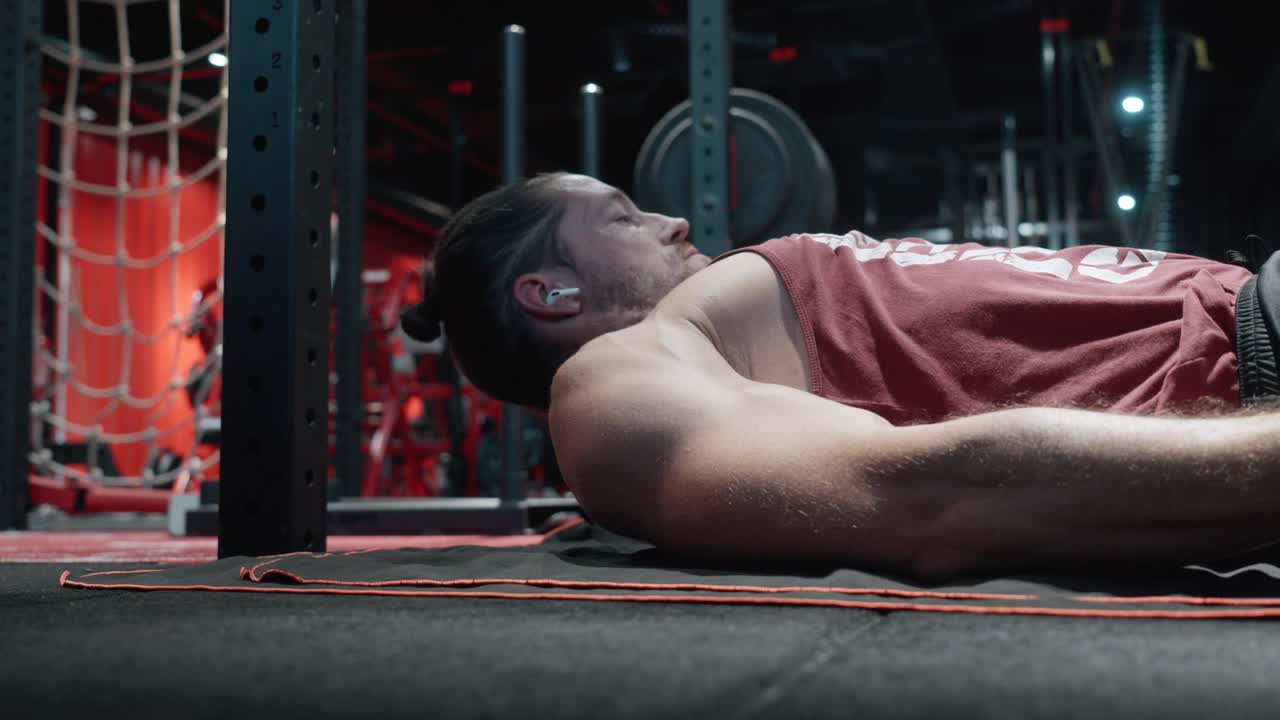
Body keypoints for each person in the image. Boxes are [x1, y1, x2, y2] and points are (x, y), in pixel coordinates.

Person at [401, 171, 1280, 581]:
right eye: (623, 217)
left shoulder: (710, 321)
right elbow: (922, 499)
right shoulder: (610, 381)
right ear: (551, 292)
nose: (672, 221)